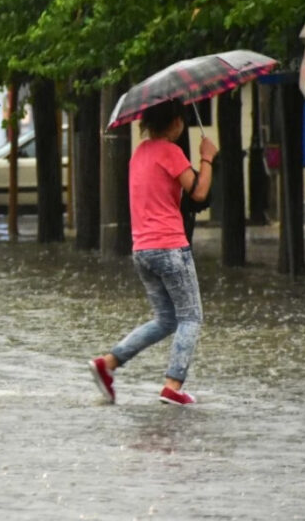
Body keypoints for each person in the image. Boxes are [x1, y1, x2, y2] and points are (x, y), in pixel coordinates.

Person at [88, 98, 218, 406]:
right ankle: (173, 385)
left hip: (142, 249)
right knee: (191, 317)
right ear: (175, 123)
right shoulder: (171, 152)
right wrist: (207, 158)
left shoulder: (139, 154)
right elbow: (199, 192)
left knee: (165, 319)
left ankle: (108, 364)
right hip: (170, 245)